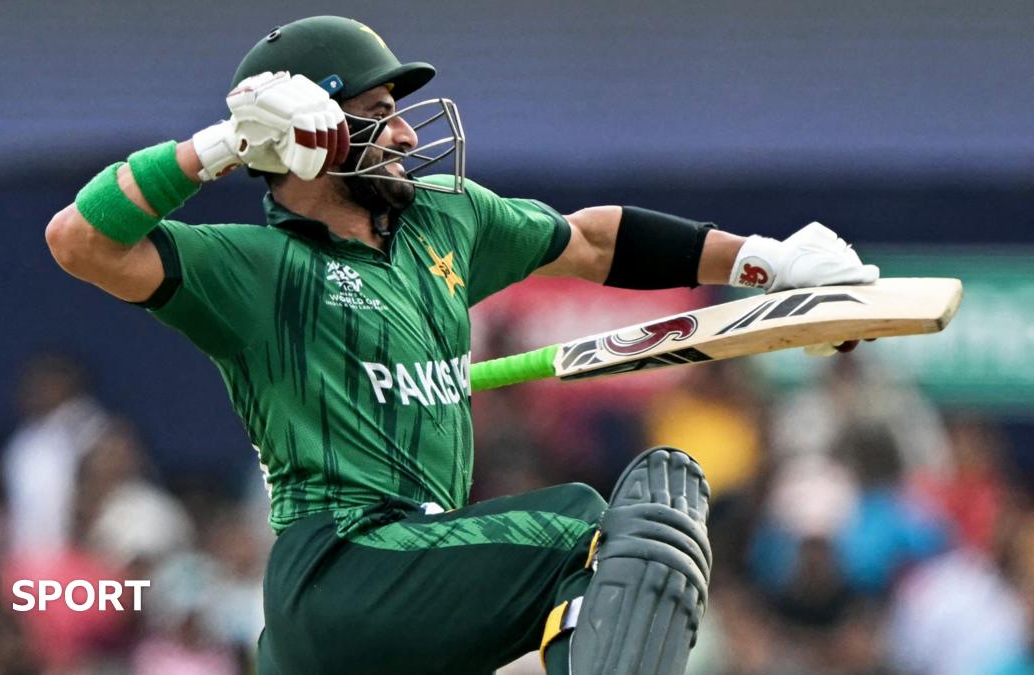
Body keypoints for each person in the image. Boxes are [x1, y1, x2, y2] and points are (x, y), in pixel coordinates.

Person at [44, 15, 879, 675]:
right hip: (342, 574)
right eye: (377, 117)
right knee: (608, 522)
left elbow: (588, 242)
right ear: (300, 140)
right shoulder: (254, 269)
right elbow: (80, 240)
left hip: (422, 584)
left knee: (625, 528)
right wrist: (218, 145)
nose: (406, 136)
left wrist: (763, 260)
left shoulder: (445, 219)